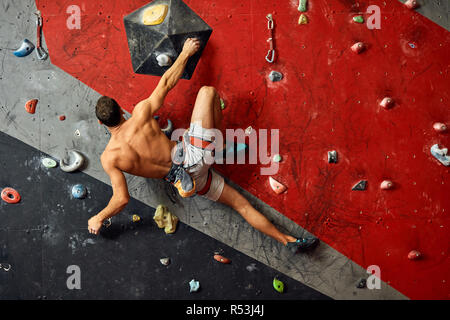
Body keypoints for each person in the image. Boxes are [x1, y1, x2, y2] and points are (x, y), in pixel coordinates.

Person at [88, 38, 318, 253]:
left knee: (241, 205)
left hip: (191, 182)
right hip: (192, 155)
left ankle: (289, 242)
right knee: (208, 93)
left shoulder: (109, 158)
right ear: (120, 110)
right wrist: (186, 53)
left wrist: (99, 217)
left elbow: (121, 199)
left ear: (101, 123)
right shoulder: (140, 114)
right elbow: (166, 82)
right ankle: (218, 146)